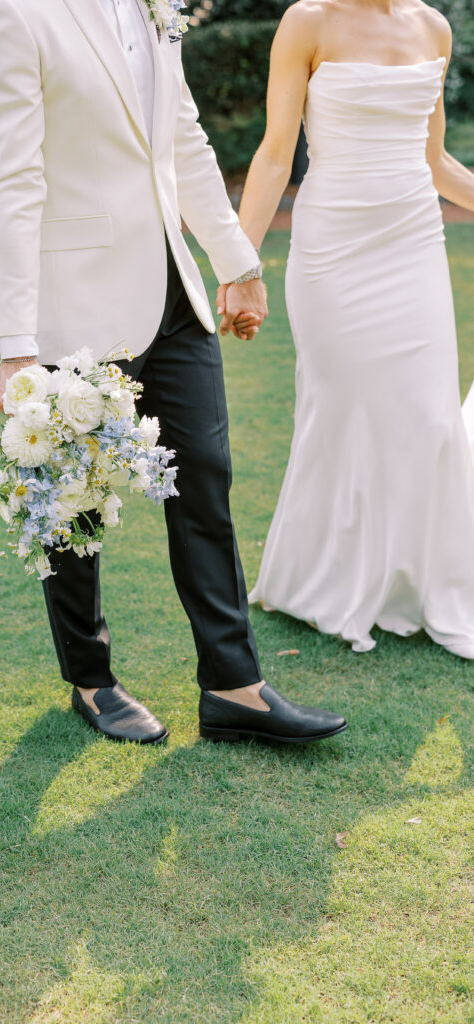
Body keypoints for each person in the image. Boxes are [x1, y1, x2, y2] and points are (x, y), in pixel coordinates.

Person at [0, 0, 348, 743]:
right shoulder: (7, 14)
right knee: (72, 497)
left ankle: (234, 686)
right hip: (74, 295)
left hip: (175, 292)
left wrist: (235, 262)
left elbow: (182, 140)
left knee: (204, 473)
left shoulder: (154, 3)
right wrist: (17, 342)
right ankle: (91, 679)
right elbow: (11, 181)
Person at [235, 0, 474, 659]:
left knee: (429, 416)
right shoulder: (306, 21)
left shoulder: (433, 27)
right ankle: (326, 582)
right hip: (332, 249)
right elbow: (276, 153)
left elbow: (435, 163)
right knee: (342, 412)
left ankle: (424, 584)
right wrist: (238, 263)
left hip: (413, 244)